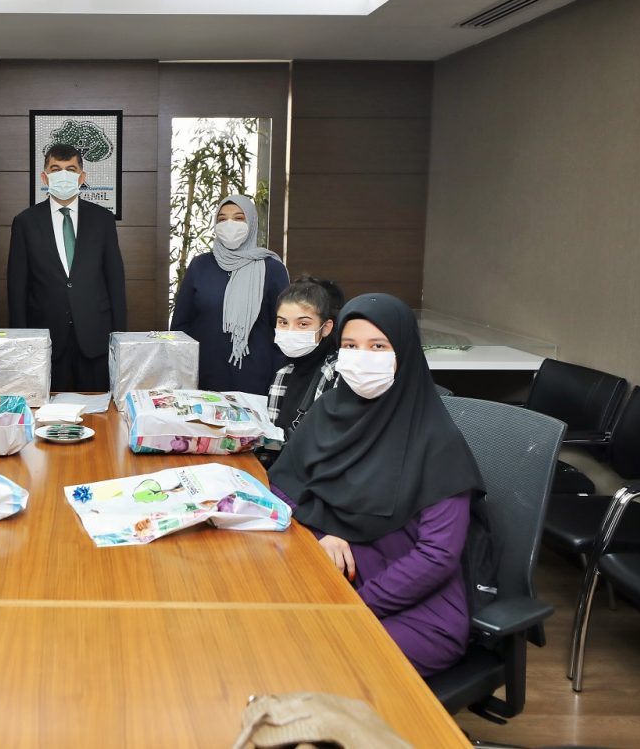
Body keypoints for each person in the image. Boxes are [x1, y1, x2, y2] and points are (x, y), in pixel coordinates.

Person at [266, 294, 483, 676]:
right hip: (332, 579)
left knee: (306, 660)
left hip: (413, 608)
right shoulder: (328, 412)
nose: (361, 357)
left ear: (405, 354)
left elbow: (437, 555)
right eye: (350, 346)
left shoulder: (436, 442)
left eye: (378, 347)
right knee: (261, 634)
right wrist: (324, 535)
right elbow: (282, 486)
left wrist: (356, 605)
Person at [7, 143, 127, 392]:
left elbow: (115, 280)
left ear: (81, 177)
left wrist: (120, 336)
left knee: (97, 407)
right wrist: (22, 341)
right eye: (55, 169)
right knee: (48, 409)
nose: (63, 175)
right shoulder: (25, 222)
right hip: (46, 339)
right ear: (44, 177)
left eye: (71, 169)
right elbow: (17, 287)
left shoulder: (103, 220)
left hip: (95, 335)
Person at [170, 194, 289, 394]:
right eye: (222, 219)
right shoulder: (200, 265)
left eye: (239, 218)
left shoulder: (272, 269)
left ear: (252, 223)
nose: (229, 224)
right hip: (204, 377)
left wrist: (276, 380)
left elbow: (282, 331)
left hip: (255, 380)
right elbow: (180, 326)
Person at [268, 276, 345, 438]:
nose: (290, 331)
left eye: (303, 324)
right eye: (283, 322)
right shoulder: (284, 371)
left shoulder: (338, 372)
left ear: (326, 328)